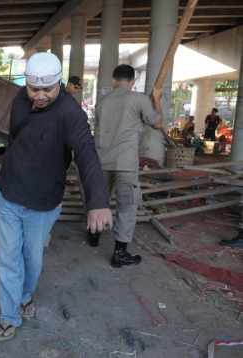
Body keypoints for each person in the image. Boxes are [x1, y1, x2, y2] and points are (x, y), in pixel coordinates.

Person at [0, 52, 112, 342]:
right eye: (35, 88)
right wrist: (5, 168)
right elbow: (14, 138)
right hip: (9, 195)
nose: (41, 95)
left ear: (60, 82)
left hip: (44, 202)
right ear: (27, 83)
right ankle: (9, 316)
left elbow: (85, 151)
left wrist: (97, 201)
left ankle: (25, 295)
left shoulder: (70, 112)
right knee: (7, 259)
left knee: (32, 258)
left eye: (48, 89)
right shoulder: (20, 99)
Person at [94, 64, 163, 268]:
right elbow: (157, 124)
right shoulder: (139, 99)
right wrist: (156, 98)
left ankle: (93, 236)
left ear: (114, 81)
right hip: (125, 162)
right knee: (126, 206)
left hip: (101, 160)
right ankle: (120, 254)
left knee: (98, 201)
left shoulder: (102, 102)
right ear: (133, 82)